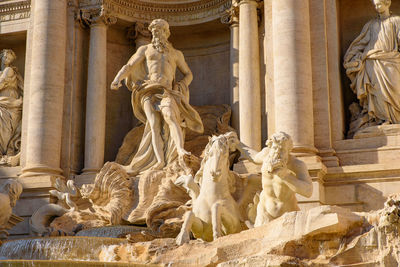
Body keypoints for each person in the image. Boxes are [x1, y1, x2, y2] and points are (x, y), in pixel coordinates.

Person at [111, 19, 203, 175]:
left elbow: (188, 73)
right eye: (154, 31)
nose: (156, 34)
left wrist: (181, 85)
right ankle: (160, 161)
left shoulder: (175, 54)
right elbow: (130, 65)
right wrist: (117, 78)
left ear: (166, 33)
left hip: (167, 91)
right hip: (148, 90)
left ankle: (180, 150)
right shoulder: (145, 50)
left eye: (159, 31)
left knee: (170, 117)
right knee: (153, 125)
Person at [344, 0, 400, 127]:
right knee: (377, 91)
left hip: (392, 61)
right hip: (373, 62)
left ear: (387, 3)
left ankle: (396, 118)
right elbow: (360, 43)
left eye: (379, 4)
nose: (377, 7)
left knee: (395, 90)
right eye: (375, 5)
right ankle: (382, 119)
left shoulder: (396, 21)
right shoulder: (370, 25)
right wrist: (352, 57)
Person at [248, 132, 312, 227]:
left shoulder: (296, 164)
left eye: (282, 150)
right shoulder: (266, 155)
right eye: (274, 148)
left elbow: (308, 191)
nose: (277, 153)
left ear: (289, 150)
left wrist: (285, 176)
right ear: (270, 147)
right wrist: (238, 144)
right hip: (264, 212)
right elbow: (252, 156)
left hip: (288, 215)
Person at [0, 49, 23, 165]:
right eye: (5, 57)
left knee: (2, 127)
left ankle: (4, 152)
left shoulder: (8, 70)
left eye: (9, 58)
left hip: (9, 105)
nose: (6, 60)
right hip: (3, 103)